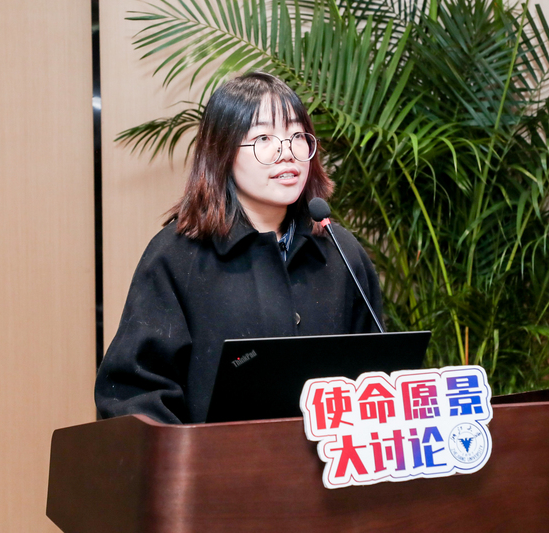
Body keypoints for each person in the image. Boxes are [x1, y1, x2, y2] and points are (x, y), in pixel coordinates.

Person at [95, 72, 383, 424]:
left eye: (297, 136)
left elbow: (377, 375)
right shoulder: (178, 256)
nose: (287, 153)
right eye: (263, 138)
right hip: (214, 459)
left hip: (328, 457)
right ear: (223, 151)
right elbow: (133, 394)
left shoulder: (340, 251)